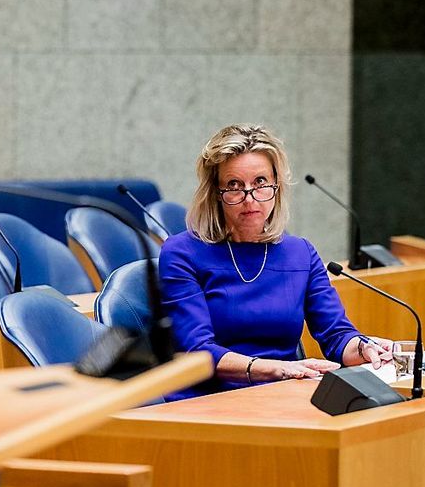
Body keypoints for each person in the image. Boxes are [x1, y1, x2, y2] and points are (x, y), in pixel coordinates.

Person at [159, 124, 392, 392]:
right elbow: (196, 351)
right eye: (234, 186)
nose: (250, 199)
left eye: (260, 183)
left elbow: (337, 336)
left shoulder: (301, 253)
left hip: (284, 391)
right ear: (216, 194)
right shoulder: (182, 253)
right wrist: (274, 368)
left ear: (276, 187)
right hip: (207, 399)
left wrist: (364, 347)